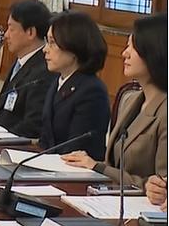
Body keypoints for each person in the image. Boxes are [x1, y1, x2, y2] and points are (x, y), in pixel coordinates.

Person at [62, 14, 167, 189]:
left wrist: (97, 167)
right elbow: (114, 164)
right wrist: (92, 165)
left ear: (154, 52)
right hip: (108, 198)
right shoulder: (131, 100)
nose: (124, 53)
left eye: (132, 47)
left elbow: (161, 188)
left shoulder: (165, 112)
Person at [40, 11, 110, 160]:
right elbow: (46, 139)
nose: (45, 49)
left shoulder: (92, 91)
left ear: (73, 47)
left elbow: (77, 148)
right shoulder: (58, 82)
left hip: (74, 173)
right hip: (50, 167)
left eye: (52, 42)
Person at [0, 0, 55, 138]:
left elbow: (32, 125)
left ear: (30, 32)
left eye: (11, 29)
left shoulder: (44, 71)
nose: (6, 35)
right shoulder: (20, 61)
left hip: (10, 145)